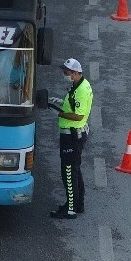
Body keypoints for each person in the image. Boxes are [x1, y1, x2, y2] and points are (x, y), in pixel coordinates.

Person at [47, 58, 93, 219]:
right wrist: (59, 102)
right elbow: (73, 105)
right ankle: (78, 204)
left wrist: (59, 112)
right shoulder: (79, 85)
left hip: (72, 136)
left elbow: (78, 114)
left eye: (66, 72)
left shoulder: (80, 90)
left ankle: (70, 209)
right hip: (76, 134)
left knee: (68, 172)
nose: (64, 74)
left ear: (75, 73)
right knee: (75, 169)